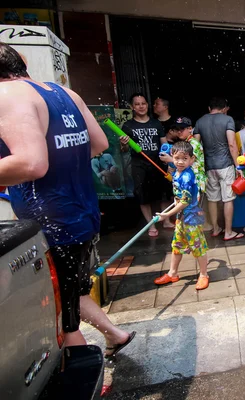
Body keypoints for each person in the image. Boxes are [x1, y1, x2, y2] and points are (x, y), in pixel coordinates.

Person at [0, 42, 134, 356]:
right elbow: (99, 143)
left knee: (61, 316)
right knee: (70, 291)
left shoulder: (7, 94)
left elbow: (33, 163)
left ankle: (81, 373)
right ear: (22, 62)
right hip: (82, 215)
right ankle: (115, 335)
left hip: (51, 223)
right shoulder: (65, 93)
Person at [154, 141, 210, 290]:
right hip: (181, 218)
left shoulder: (187, 176)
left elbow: (184, 201)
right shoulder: (176, 172)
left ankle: (204, 275)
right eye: (177, 158)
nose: (180, 161)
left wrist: (165, 215)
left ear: (191, 160)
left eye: (185, 159)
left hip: (192, 218)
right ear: (172, 156)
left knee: (198, 247)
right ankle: (172, 273)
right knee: (177, 246)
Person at [121, 93, 174, 236]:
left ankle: (166, 220)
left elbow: (164, 143)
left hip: (157, 163)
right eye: (137, 104)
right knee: (143, 196)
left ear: (147, 105)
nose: (141, 106)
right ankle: (151, 225)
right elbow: (124, 150)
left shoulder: (156, 123)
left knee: (164, 193)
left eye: (143, 103)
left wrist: (169, 159)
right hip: (140, 165)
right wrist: (124, 144)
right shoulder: (128, 126)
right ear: (132, 107)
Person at [194, 97, 243, 241]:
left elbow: (195, 146)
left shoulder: (200, 121)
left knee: (212, 199)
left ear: (210, 109)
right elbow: (232, 144)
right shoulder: (227, 120)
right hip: (225, 165)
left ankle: (215, 228)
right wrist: (237, 165)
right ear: (224, 109)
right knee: (228, 199)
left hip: (209, 166)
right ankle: (228, 232)